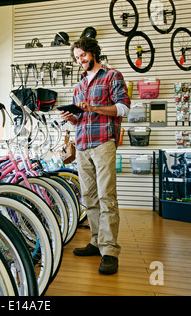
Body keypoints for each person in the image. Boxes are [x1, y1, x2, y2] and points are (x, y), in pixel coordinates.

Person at [59, 36, 130, 275]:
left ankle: (110, 251)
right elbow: (82, 117)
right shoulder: (79, 86)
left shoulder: (112, 76)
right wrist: (74, 117)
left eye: (83, 56)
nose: (81, 61)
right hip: (82, 145)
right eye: (77, 58)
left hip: (103, 143)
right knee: (89, 197)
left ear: (93, 53)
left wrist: (93, 108)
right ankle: (96, 241)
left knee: (106, 197)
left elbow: (123, 108)